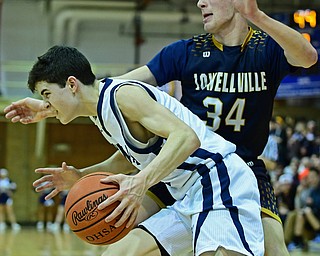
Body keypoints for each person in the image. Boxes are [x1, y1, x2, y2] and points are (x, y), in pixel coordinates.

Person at [3, 0, 318, 255]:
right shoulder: (178, 56)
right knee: (119, 253)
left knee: (275, 250)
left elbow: (308, 57)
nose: (200, 3)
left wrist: (138, 182)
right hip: (180, 177)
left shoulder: (264, 47)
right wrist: (53, 114)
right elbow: (106, 99)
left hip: (221, 172)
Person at [5, 45, 264, 256]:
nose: (46, 102)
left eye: (47, 94)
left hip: (218, 181)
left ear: (72, 84)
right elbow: (130, 159)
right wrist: (81, 175)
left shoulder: (122, 96)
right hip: (187, 195)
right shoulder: (101, 113)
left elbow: (186, 138)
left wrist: (140, 182)